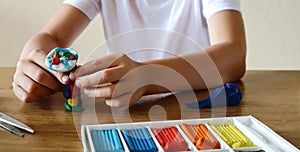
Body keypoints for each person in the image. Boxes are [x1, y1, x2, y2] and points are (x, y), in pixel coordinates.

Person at [13, 0, 246, 108]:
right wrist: (33, 57)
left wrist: (149, 76)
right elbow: (50, 37)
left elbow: (233, 55)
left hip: (194, 110)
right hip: (124, 112)